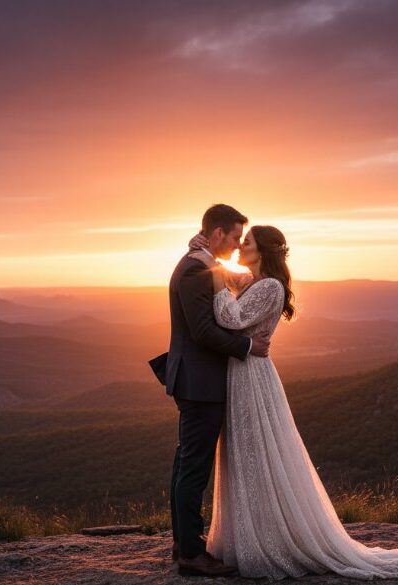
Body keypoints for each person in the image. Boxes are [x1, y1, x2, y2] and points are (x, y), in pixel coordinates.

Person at [185, 224, 398, 581]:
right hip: (241, 372)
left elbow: (231, 318)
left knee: (256, 452)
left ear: (263, 250)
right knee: (245, 453)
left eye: (248, 242)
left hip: (251, 376)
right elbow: (222, 272)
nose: (240, 246)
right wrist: (201, 249)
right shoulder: (254, 282)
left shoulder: (270, 287)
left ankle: (269, 542)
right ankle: (252, 537)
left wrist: (220, 286)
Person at [165, 203, 271, 577]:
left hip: (194, 379)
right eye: (235, 237)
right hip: (200, 382)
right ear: (217, 234)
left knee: (186, 461)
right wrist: (248, 346)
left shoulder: (200, 262)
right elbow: (203, 332)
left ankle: (183, 544)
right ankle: (191, 554)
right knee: (194, 467)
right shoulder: (196, 270)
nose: (238, 244)